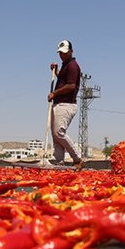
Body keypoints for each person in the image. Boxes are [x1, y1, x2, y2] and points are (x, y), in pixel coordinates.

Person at [48, 39, 83, 169]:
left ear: (71, 51)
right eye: (60, 53)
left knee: (59, 132)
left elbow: (71, 85)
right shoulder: (65, 65)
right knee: (55, 135)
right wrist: (56, 71)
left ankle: (77, 158)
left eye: (64, 53)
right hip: (59, 103)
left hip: (66, 104)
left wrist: (55, 93)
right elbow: (63, 80)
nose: (62, 55)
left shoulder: (73, 66)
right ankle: (59, 161)